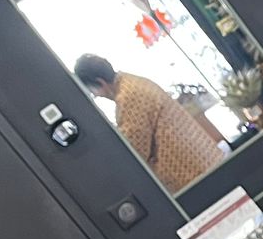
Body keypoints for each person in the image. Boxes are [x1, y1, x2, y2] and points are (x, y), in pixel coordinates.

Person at [74, 53, 223, 196]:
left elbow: (135, 150)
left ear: (101, 82)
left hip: (190, 172)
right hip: (202, 161)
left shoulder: (128, 97)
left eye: (94, 92)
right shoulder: (133, 82)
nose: (97, 96)